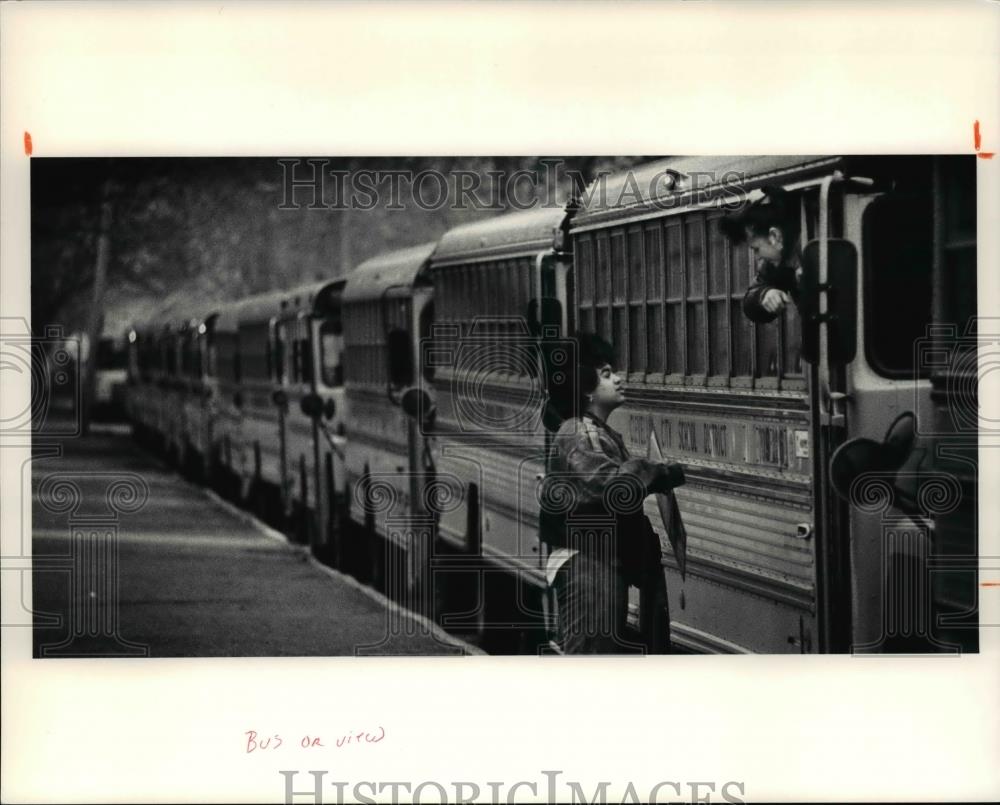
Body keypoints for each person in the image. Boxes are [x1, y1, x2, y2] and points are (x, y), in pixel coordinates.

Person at [540, 333, 686, 654]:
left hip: (600, 563)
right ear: (584, 385)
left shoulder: (593, 432)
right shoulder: (578, 433)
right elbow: (612, 485)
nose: (618, 379)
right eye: (606, 374)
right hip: (590, 566)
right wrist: (658, 472)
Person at [720, 185, 803, 324]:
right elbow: (751, 300)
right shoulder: (776, 263)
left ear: (774, 236)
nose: (758, 257)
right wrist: (765, 294)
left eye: (756, 249)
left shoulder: (815, 251)